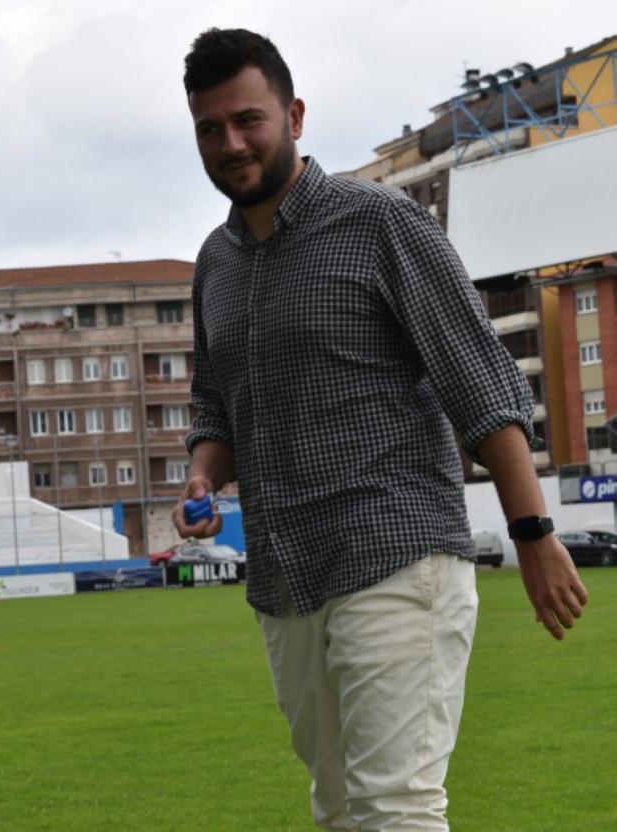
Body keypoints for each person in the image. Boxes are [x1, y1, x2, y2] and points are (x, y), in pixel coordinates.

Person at [172, 28, 588, 831]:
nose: (231, 143)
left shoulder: (381, 222)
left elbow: (483, 382)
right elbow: (214, 404)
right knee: (338, 810)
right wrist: (201, 472)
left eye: (248, 119)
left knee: (396, 809)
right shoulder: (214, 263)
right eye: (209, 128)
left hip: (396, 554)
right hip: (287, 577)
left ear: (293, 113)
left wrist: (534, 534)